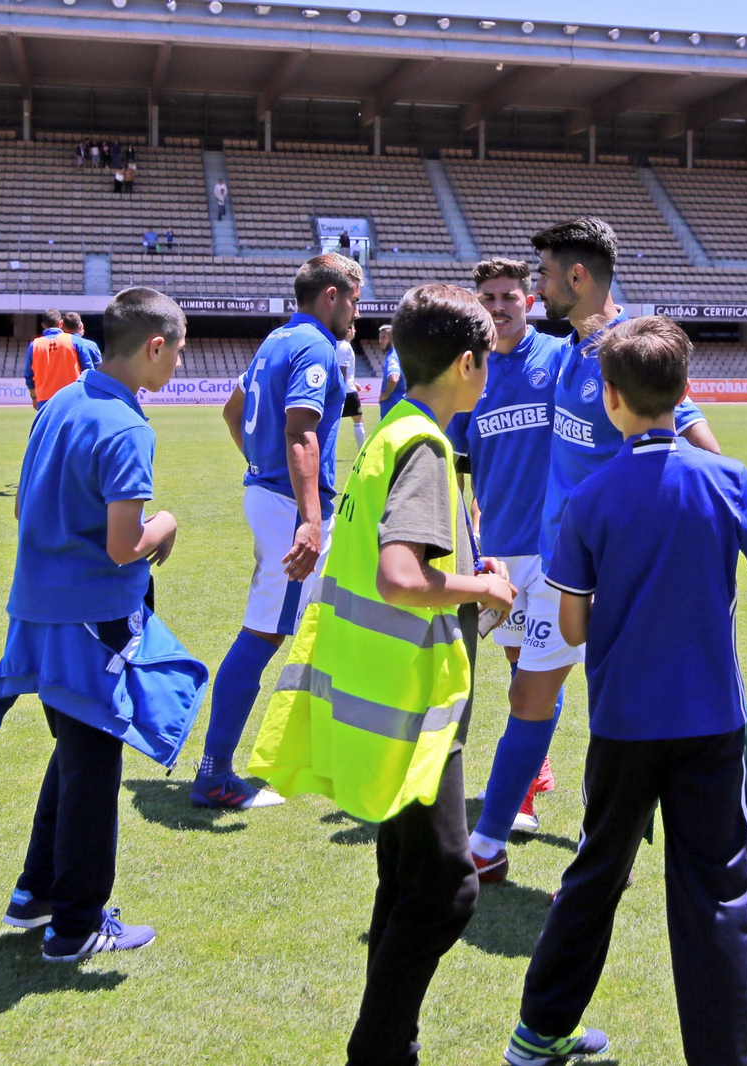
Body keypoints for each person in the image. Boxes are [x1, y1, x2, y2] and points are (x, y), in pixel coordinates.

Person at [503, 316, 747, 1066]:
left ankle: (537, 1034)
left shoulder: (590, 498)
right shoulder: (727, 479)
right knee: (718, 894)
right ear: (686, 392)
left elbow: (572, 618)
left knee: (597, 870)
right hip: (709, 724)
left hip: (625, 721)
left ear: (610, 400)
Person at [248, 283, 512, 1066]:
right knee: (447, 890)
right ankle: (377, 1051)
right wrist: (486, 588)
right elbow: (400, 575)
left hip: (384, 698)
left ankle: (392, 1047)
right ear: (468, 365)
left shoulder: (391, 431)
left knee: (402, 882)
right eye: (487, 359)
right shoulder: (425, 445)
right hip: (414, 707)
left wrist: (465, 572)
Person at [467, 217, 721, 883]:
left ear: (577, 278)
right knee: (532, 695)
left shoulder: (630, 349)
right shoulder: (573, 348)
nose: (535, 289)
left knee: (616, 711)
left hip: (615, 575)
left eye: (544, 276)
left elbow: (700, 446)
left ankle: (594, 845)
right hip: (560, 567)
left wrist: (725, 517)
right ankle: (489, 842)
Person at [0, 286, 204, 963]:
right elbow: (121, 545)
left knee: (75, 755)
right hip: (92, 617)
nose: (178, 370)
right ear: (155, 346)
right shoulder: (128, 426)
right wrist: (164, 524)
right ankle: (76, 925)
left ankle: (37, 892)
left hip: (41, 611)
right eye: (178, 355)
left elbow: (22, 506)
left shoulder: (57, 405)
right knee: (95, 765)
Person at [194, 253, 362, 809]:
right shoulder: (316, 346)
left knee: (334, 615)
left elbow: (231, 409)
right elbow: (300, 435)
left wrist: (260, 471)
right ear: (331, 296)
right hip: (292, 506)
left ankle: (332, 749)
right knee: (264, 631)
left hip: (273, 494)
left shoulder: (276, 340)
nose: (356, 314)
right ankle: (215, 774)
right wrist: (309, 519)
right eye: (354, 300)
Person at [445, 257, 566, 843]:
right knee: (522, 670)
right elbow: (457, 466)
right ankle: (535, 767)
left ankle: (517, 798)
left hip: (554, 551)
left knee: (534, 684)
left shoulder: (559, 360)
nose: (498, 307)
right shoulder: (472, 373)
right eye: (488, 298)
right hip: (498, 550)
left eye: (508, 297)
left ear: (529, 300)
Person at [26, 309, 94, 408]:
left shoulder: (34, 345)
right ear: (61, 323)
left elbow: (28, 376)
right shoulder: (74, 340)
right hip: (72, 397)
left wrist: (34, 397)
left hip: (45, 399)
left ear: (43, 325)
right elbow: (89, 370)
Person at [335, 323, 366, 449]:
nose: (354, 331)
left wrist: (354, 382)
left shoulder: (337, 344)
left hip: (342, 388)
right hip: (346, 391)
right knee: (358, 420)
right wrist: (344, 387)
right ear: (347, 330)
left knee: (333, 422)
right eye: (353, 328)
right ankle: (361, 451)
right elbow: (342, 370)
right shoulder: (345, 346)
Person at [378, 324, 405, 417]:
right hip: (397, 407)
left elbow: (394, 378)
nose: (380, 341)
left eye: (384, 337)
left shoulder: (392, 357)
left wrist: (385, 394)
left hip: (392, 408)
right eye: (380, 337)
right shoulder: (398, 353)